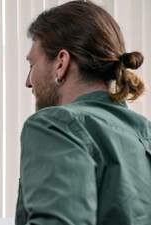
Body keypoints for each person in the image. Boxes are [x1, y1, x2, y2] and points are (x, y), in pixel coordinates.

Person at [15, 1, 151, 225]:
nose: (28, 82)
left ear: (61, 63)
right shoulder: (145, 133)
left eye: (32, 64)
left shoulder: (55, 125)